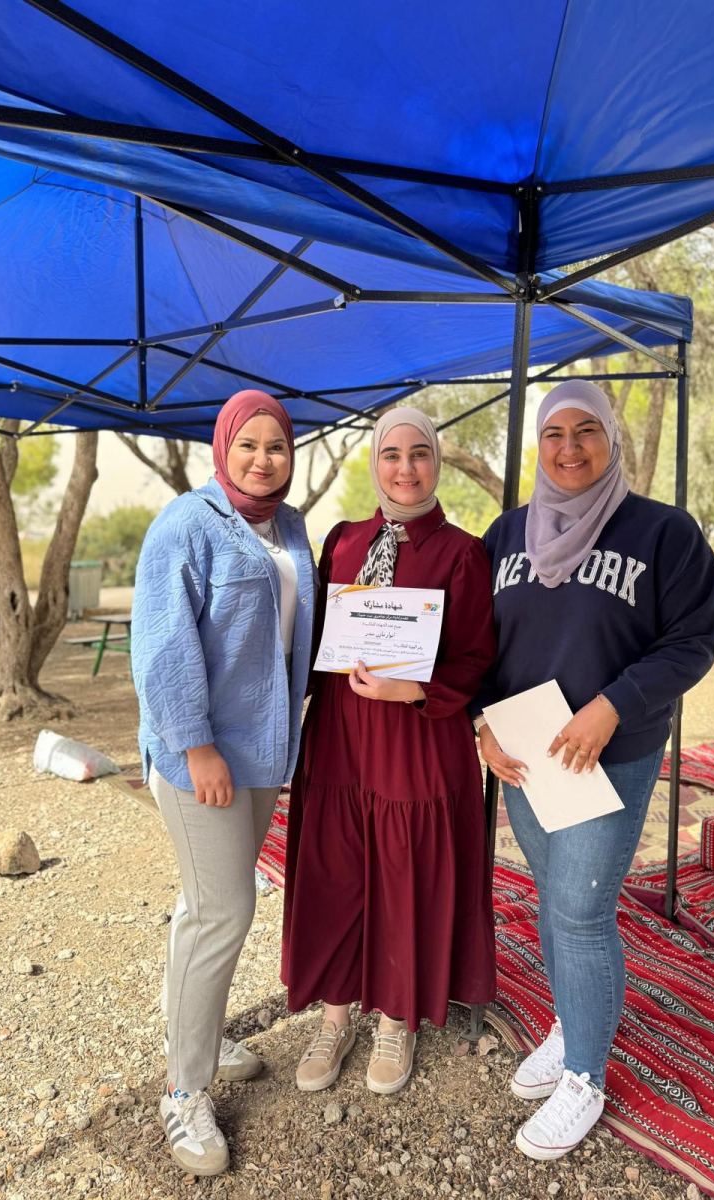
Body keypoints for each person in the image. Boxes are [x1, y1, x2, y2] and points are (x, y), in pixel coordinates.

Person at [475, 380, 714, 1162]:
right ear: (538, 446)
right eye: (554, 434)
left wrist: (614, 705)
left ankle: (585, 1075)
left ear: (612, 438)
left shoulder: (663, 533)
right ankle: (572, 1023)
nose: (570, 448)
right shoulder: (505, 535)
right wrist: (482, 721)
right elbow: (478, 641)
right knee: (554, 897)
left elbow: (692, 641)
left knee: (581, 909)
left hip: (609, 752)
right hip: (527, 751)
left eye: (586, 431)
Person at [282, 407, 497, 1096]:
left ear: (437, 462)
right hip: (341, 738)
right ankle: (336, 1016)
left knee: (406, 870)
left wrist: (415, 689)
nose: (406, 468)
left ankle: (397, 1017)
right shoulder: (343, 540)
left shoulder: (462, 552)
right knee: (339, 868)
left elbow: (477, 657)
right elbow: (315, 638)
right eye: (392, 455)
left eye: (419, 454)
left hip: (416, 739)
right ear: (375, 463)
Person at [131, 390, 315, 1176]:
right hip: (200, 757)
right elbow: (162, 645)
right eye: (249, 445)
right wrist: (197, 745)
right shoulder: (186, 523)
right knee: (225, 909)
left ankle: (195, 1033)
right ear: (223, 447)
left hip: (263, 752)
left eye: (277, 446)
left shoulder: (292, 527)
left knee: (203, 905)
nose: (263, 459)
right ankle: (184, 1091)